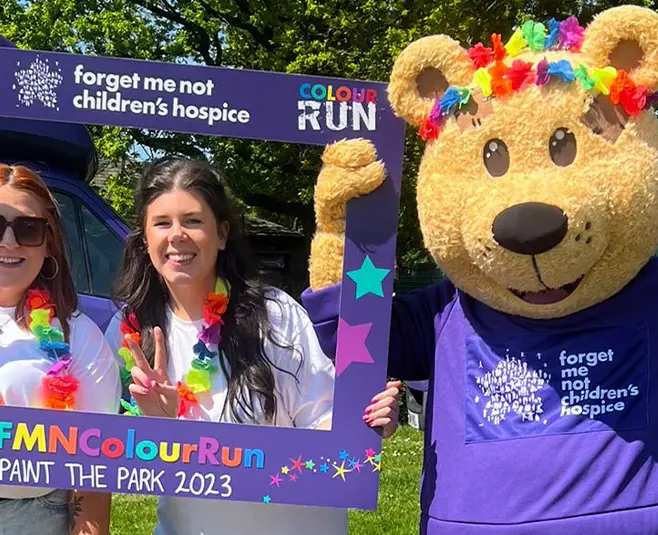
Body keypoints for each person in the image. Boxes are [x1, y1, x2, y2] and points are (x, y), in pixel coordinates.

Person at [104, 157, 400, 535]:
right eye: (162, 223)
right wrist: (161, 428)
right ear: (145, 239)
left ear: (222, 234)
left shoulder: (275, 315)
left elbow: (325, 421)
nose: (177, 235)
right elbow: (106, 454)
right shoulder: (130, 332)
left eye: (192, 221)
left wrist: (363, 426)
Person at [0, 164, 121, 535]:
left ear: (48, 243)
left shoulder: (79, 336)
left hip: (35, 516)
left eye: (28, 228)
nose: (9, 242)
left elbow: (97, 461)